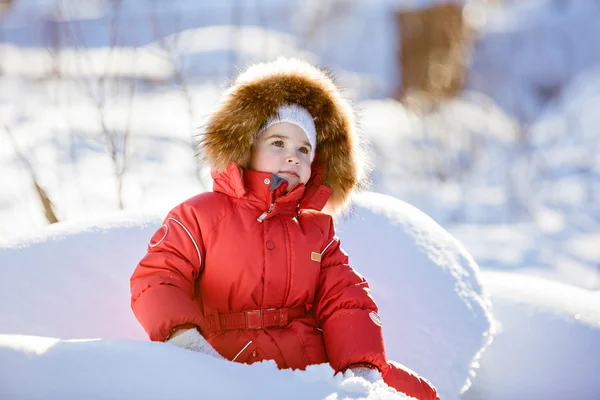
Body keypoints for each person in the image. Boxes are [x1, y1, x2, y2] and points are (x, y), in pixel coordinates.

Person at [130, 57, 439, 400]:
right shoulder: (201, 215)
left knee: (417, 392)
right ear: (246, 148)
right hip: (229, 366)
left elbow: (346, 299)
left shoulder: (316, 230)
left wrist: (359, 366)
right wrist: (186, 341)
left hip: (310, 364)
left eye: (303, 149)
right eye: (278, 143)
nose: (293, 156)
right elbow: (158, 278)